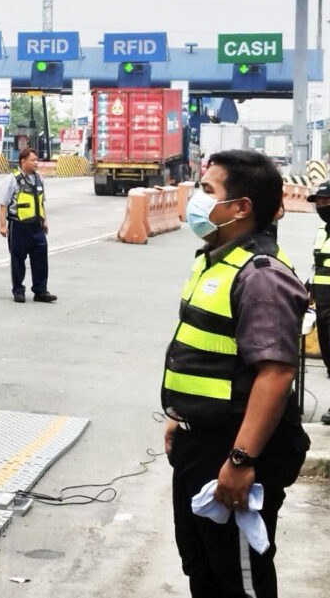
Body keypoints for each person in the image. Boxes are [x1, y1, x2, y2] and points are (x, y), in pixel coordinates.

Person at [162, 150, 310, 598]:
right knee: (203, 569)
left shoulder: (260, 275)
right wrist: (181, 415)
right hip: (200, 443)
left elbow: (275, 375)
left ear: (241, 207)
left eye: (208, 191)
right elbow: (212, 354)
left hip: (233, 451)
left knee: (239, 579)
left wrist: (241, 461)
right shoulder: (215, 258)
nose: (196, 198)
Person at [0, 148, 56, 303]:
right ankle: (18, 291)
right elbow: (3, 205)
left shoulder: (39, 179)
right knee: (18, 260)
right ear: (23, 161)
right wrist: (3, 225)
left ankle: (40, 291)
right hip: (18, 226)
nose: (36, 163)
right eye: (33, 160)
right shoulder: (12, 179)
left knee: (41, 259)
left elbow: (41, 202)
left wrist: (45, 221)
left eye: (37, 160)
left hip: (36, 226)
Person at [306, 180, 330, 423]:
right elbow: (319, 266)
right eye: (319, 203)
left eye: (326, 202)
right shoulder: (322, 232)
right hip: (323, 305)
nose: (322, 207)